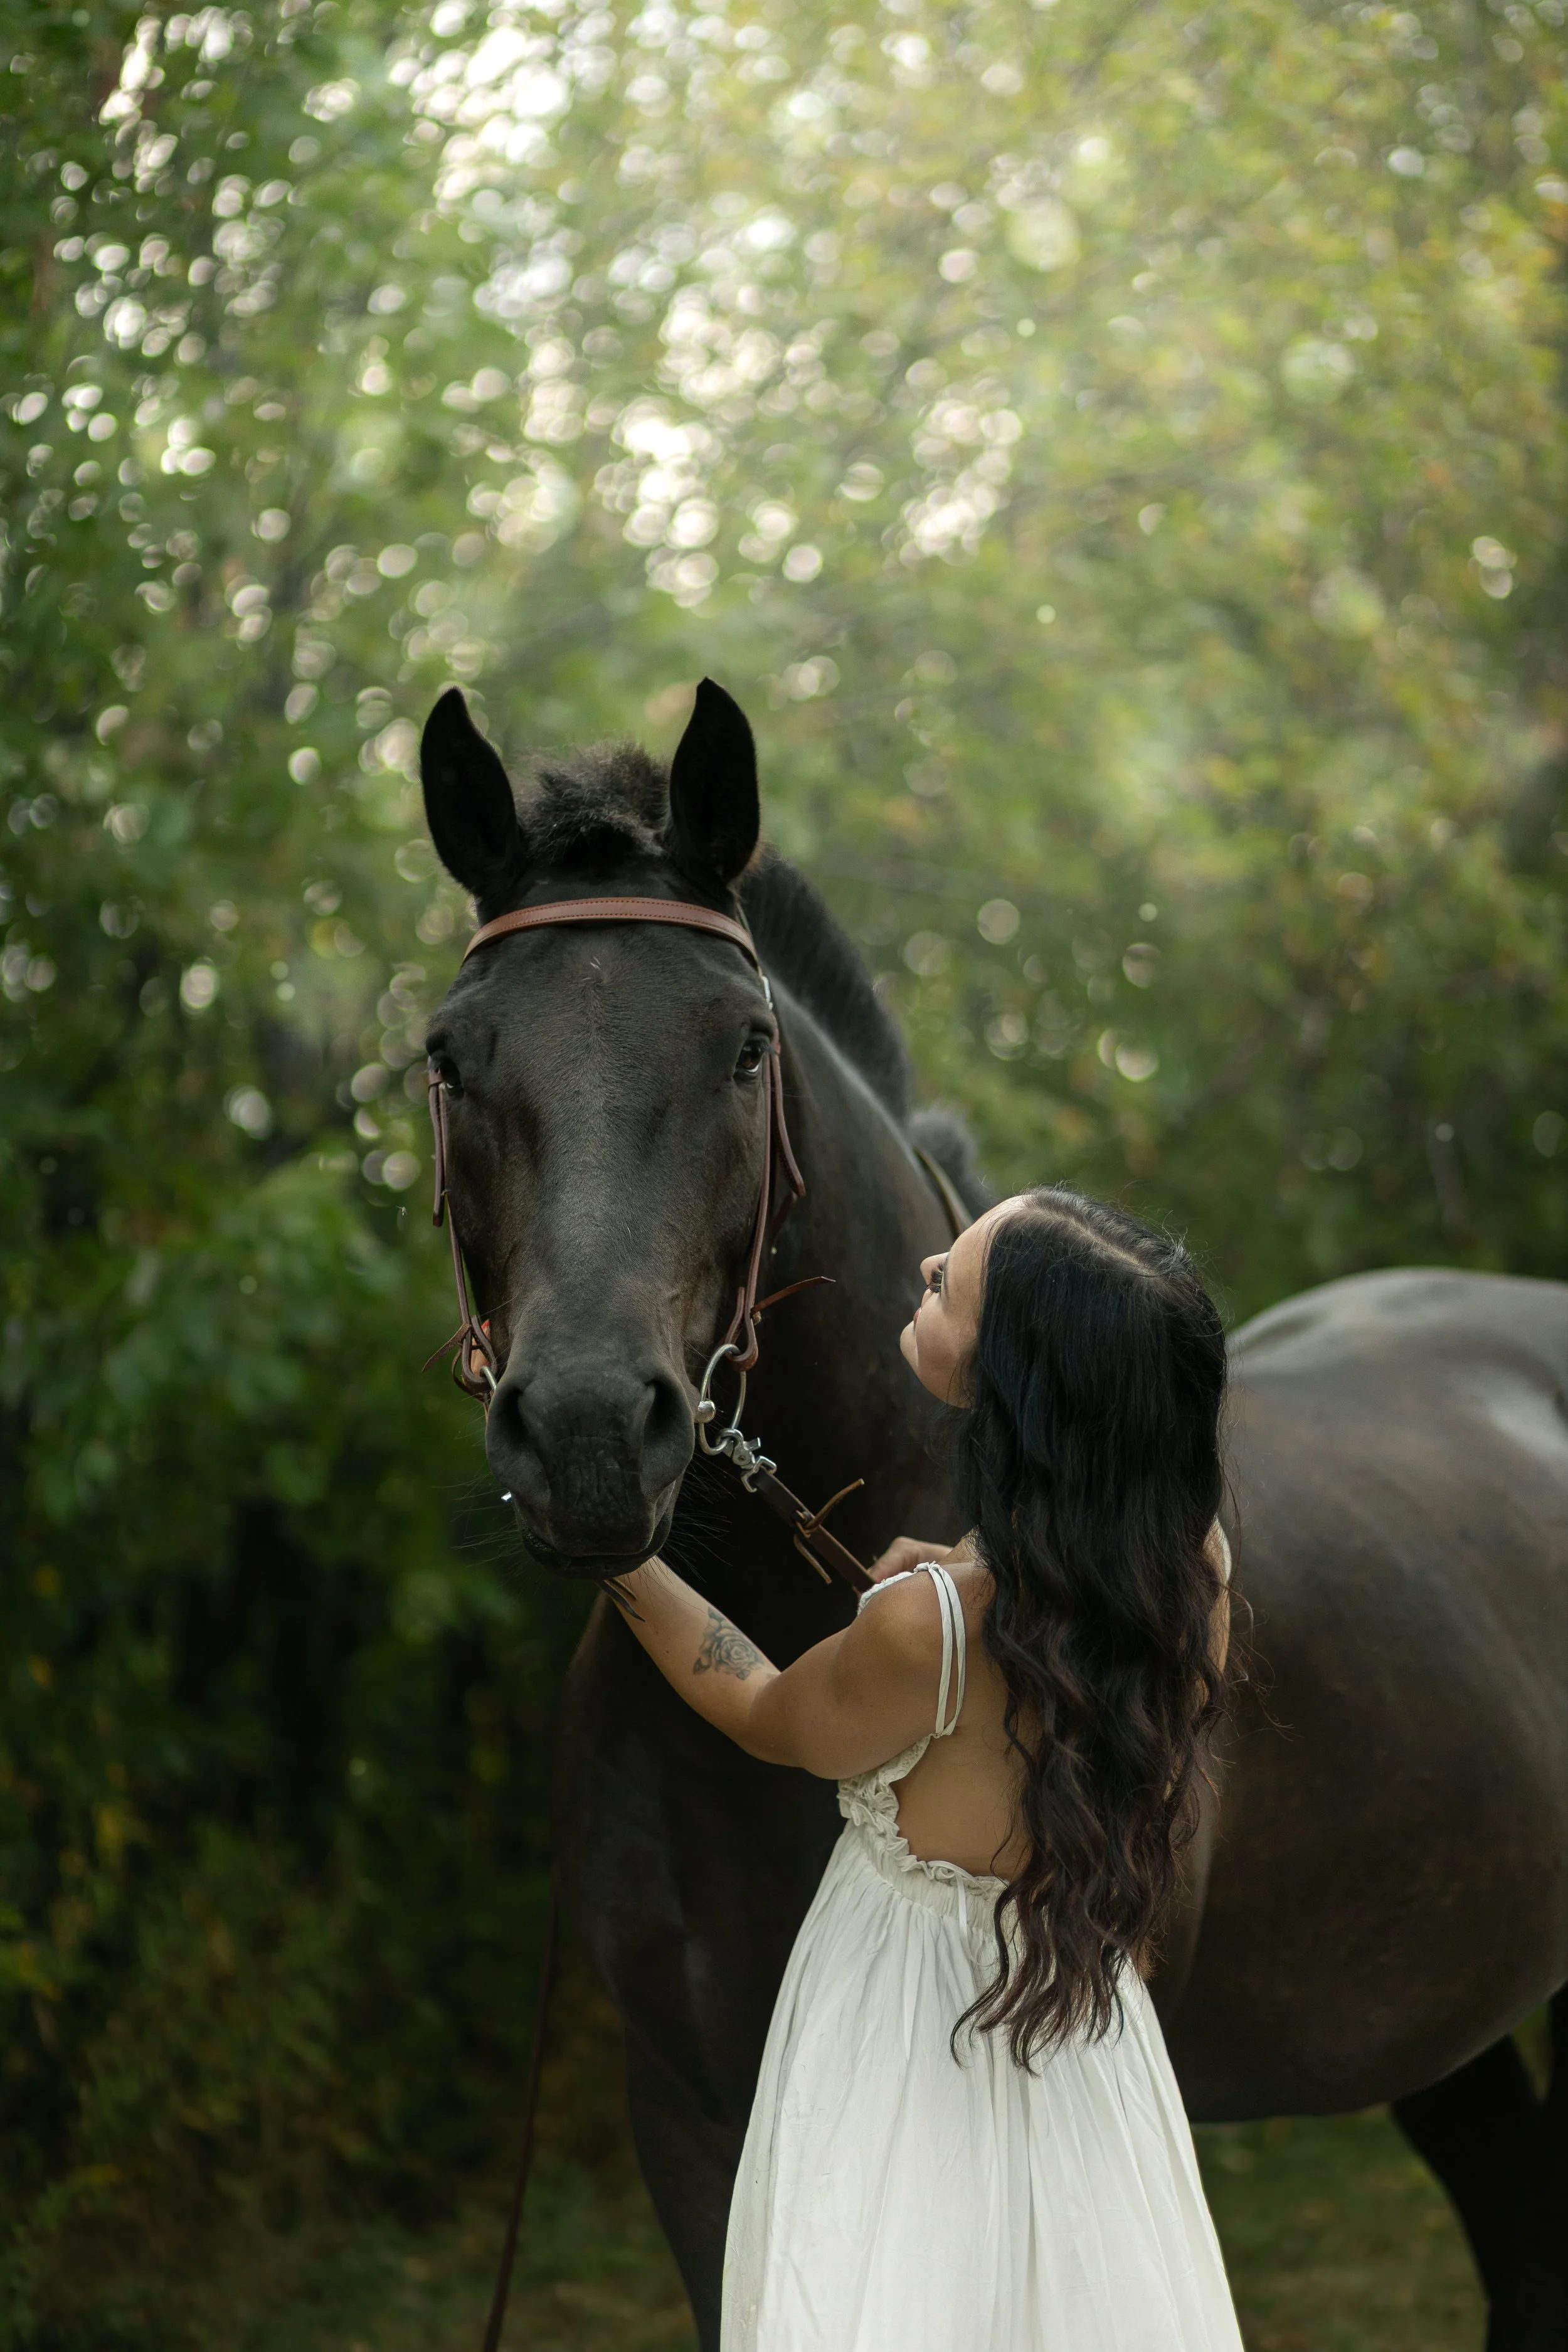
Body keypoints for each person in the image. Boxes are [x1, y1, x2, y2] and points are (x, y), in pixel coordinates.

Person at [611, 1185, 1244, 2352]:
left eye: (951, 1276)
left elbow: (756, 1705)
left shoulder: (929, 1631)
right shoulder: (1190, 1569)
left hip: (901, 2037)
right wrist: (955, 1564)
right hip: (1080, 2021)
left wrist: (618, 1551)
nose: (924, 1263)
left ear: (1010, 1383)